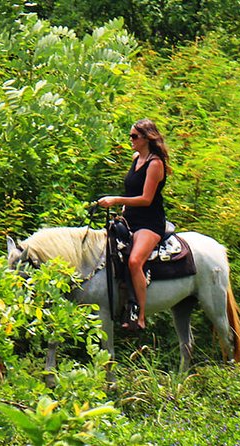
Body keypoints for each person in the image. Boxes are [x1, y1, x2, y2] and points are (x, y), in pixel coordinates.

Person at [98, 119, 171, 330]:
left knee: (134, 261)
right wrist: (122, 210)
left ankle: (139, 315)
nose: (131, 140)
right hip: (130, 219)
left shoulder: (155, 164)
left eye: (134, 137)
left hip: (149, 222)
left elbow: (146, 199)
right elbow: (132, 191)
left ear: (147, 138)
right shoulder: (136, 158)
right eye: (130, 136)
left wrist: (116, 200)